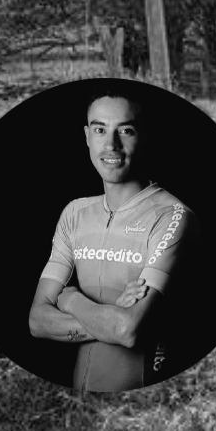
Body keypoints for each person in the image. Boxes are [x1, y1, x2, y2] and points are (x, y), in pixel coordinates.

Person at [28, 84, 196, 392]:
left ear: (144, 135)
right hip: (81, 396)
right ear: (86, 137)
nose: (112, 145)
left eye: (126, 131)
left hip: (143, 396)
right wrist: (107, 321)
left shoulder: (172, 216)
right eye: (100, 130)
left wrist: (70, 298)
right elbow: (37, 322)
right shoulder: (75, 213)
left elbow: (127, 330)